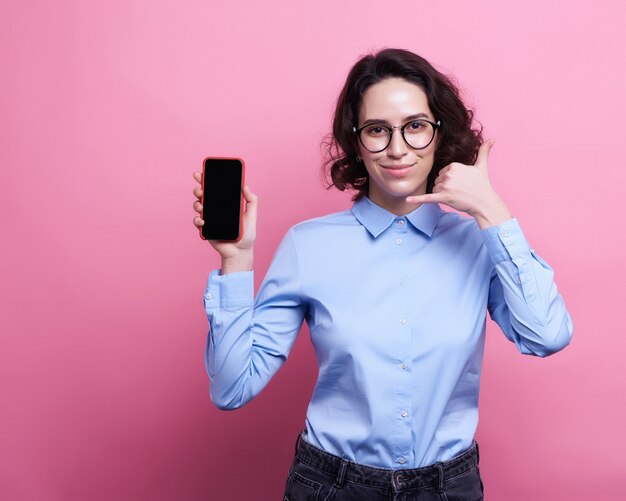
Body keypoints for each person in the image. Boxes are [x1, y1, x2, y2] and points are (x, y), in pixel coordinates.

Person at [192, 48, 573, 501]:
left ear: (439, 133)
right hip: (332, 487)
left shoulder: (479, 241)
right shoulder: (307, 245)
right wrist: (236, 262)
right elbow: (232, 387)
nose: (396, 149)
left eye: (415, 127)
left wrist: (493, 211)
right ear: (356, 141)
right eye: (377, 130)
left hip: (448, 488)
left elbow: (546, 336)